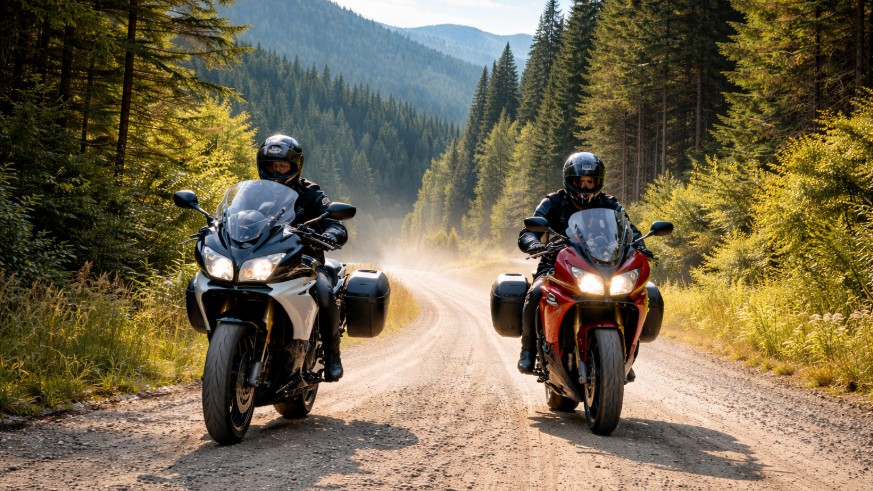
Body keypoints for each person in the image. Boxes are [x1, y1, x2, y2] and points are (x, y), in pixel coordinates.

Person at [516, 151, 652, 377]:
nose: (585, 187)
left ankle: (624, 356)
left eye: (590, 182)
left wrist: (640, 245)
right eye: (580, 181)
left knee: (636, 296)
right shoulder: (553, 202)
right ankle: (528, 350)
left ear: (598, 182)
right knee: (536, 293)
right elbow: (528, 231)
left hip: (601, 266)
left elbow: (630, 229)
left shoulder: (609, 203)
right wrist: (533, 244)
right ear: (570, 181)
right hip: (556, 266)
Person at [257, 134, 348, 382]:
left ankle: (332, 356)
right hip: (262, 261)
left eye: (282, 166)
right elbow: (235, 215)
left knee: (325, 292)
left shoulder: (311, 192)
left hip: (304, 261)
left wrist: (331, 233)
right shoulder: (254, 193)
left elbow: (334, 222)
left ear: (295, 167)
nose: (276, 170)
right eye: (271, 165)